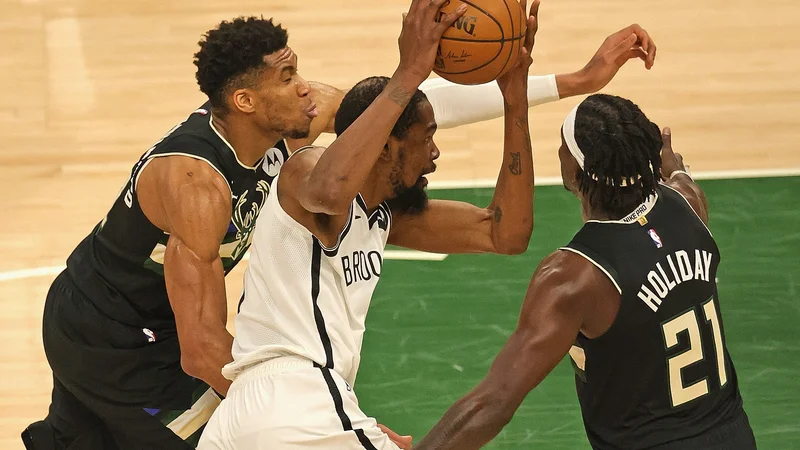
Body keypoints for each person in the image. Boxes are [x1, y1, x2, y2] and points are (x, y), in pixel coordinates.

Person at [23, 7, 658, 450]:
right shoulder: (196, 185)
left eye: (297, 70)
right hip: (113, 335)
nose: (305, 89)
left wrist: (572, 82)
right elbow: (202, 350)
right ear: (244, 101)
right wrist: (331, 422)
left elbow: (406, 111)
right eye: (287, 77)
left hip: (147, 319)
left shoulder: (288, 118)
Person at [197, 0, 539, 447]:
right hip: (298, 398)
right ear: (384, 147)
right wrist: (410, 71)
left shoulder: (378, 216)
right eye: (425, 138)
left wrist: (515, 103)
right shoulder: (303, 171)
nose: (434, 154)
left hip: (254, 415)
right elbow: (329, 190)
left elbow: (505, 233)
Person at [412, 94, 757, 450]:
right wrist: (673, 166)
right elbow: (677, 176)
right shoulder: (688, 202)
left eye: (563, 146)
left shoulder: (573, 277)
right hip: (733, 436)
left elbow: (494, 401)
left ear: (575, 169)